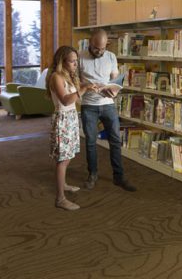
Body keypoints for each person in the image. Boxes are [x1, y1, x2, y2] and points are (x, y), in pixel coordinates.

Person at [78, 29, 136, 191]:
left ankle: (119, 176)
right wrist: (87, 86)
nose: (100, 51)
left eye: (103, 48)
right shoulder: (80, 56)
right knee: (90, 142)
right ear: (90, 42)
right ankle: (93, 174)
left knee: (116, 140)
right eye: (97, 48)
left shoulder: (110, 56)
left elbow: (116, 78)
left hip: (108, 104)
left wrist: (114, 90)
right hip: (89, 105)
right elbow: (75, 82)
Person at [47, 46, 90, 211]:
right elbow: (65, 100)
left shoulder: (68, 77)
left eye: (76, 61)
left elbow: (75, 101)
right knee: (63, 160)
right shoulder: (56, 77)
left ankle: (63, 184)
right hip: (63, 119)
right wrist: (83, 89)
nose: (75, 64)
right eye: (72, 61)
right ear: (61, 61)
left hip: (71, 118)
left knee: (69, 154)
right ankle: (60, 198)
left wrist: (88, 88)